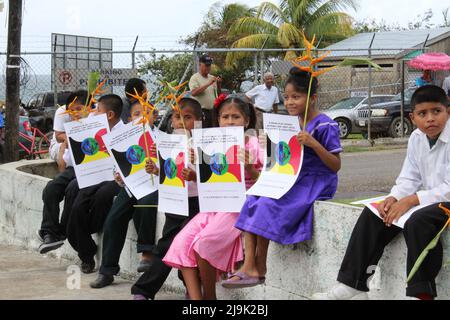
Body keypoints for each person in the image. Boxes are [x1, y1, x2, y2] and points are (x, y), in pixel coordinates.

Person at [312, 85, 450, 300]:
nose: (430, 119)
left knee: (419, 221)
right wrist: (393, 198)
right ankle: (353, 284)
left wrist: (412, 200)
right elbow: (409, 178)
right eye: (423, 114)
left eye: (436, 111)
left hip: (445, 201)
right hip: (431, 200)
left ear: (448, 111)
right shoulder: (416, 138)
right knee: (374, 213)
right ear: (413, 117)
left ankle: (421, 294)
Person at [221, 68, 342, 288]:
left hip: (314, 181)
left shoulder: (325, 124)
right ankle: (248, 266)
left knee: (267, 204)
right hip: (291, 178)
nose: (289, 102)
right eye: (286, 97)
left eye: (296, 97)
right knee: (253, 197)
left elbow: (335, 166)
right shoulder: (291, 124)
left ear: (312, 98)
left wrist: (313, 143)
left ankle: (260, 266)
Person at [162, 95, 262, 300]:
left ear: (247, 121)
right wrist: (196, 171)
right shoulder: (212, 143)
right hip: (214, 205)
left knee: (203, 244)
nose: (230, 121)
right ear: (218, 119)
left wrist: (250, 167)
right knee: (181, 242)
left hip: (238, 206)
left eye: (236, 117)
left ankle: (210, 297)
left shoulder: (255, 145)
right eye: (225, 117)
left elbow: (264, 184)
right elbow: (211, 181)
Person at [131, 98, 204, 300]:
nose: (180, 122)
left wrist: (195, 174)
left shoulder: (204, 144)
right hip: (175, 203)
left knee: (187, 246)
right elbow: (170, 172)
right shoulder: (169, 142)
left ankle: (192, 288)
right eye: (176, 117)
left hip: (198, 204)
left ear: (198, 121)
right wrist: (156, 169)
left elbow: (216, 177)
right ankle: (143, 291)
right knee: (165, 247)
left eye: (187, 117)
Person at [89, 101, 160, 288]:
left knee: (146, 206)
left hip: (154, 185)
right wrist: (119, 176)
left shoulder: (162, 137)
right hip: (130, 186)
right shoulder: (123, 139)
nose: (142, 117)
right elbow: (117, 165)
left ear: (155, 116)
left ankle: (146, 253)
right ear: (130, 119)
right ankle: (107, 270)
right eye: (137, 114)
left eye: (147, 113)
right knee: (113, 219)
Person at [66, 94, 125, 274]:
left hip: (114, 179)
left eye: (98, 109)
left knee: (102, 197)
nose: (94, 112)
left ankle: (90, 233)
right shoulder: (92, 127)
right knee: (77, 207)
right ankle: (86, 252)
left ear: (110, 115)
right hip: (92, 176)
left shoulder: (125, 132)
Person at [37, 91, 88, 254]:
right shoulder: (68, 133)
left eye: (79, 109)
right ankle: (49, 233)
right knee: (52, 188)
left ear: (90, 108)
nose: (74, 114)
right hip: (72, 169)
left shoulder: (97, 125)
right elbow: (62, 163)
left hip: (91, 171)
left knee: (72, 191)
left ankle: (61, 231)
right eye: (71, 110)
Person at [189, 54, 222, 127]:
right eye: (206, 65)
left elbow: (219, 96)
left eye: (209, 65)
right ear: (200, 65)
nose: (208, 67)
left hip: (213, 112)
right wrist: (208, 83)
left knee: (213, 134)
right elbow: (193, 93)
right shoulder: (195, 78)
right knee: (199, 135)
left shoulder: (212, 77)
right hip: (199, 113)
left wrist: (219, 85)